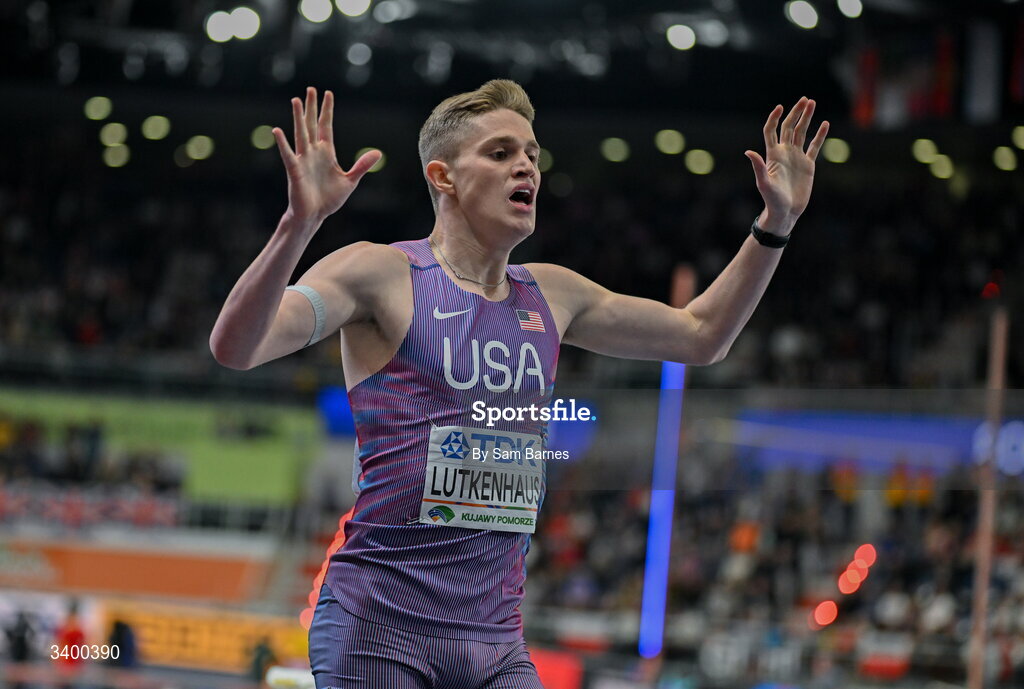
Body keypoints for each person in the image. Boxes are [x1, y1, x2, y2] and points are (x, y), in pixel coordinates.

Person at [210, 80, 827, 688]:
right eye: (501, 153)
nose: (525, 167)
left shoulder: (552, 294)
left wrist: (775, 224)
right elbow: (237, 347)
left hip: (495, 640)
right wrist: (299, 222)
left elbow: (701, 336)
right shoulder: (381, 273)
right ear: (443, 176)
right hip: (378, 624)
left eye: (532, 154)